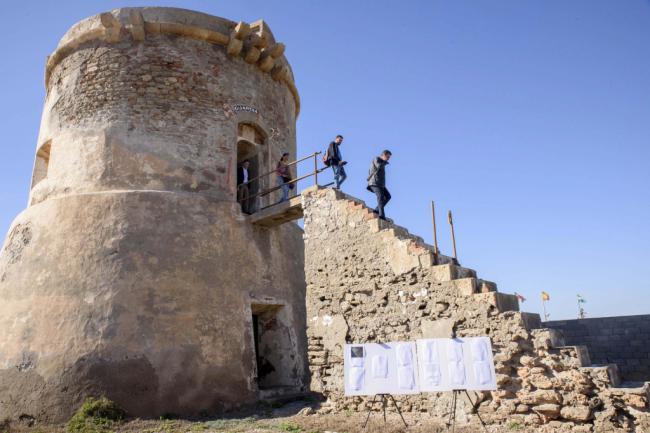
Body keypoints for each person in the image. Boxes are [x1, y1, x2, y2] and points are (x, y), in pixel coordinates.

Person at [367, 150, 392, 220]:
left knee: (388, 196)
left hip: (381, 184)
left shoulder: (383, 162)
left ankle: (376, 209)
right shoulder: (377, 158)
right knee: (380, 197)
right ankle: (381, 216)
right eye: (387, 157)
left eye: (389, 157)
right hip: (374, 182)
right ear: (383, 155)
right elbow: (378, 166)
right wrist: (384, 162)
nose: (388, 158)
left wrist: (384, 162)